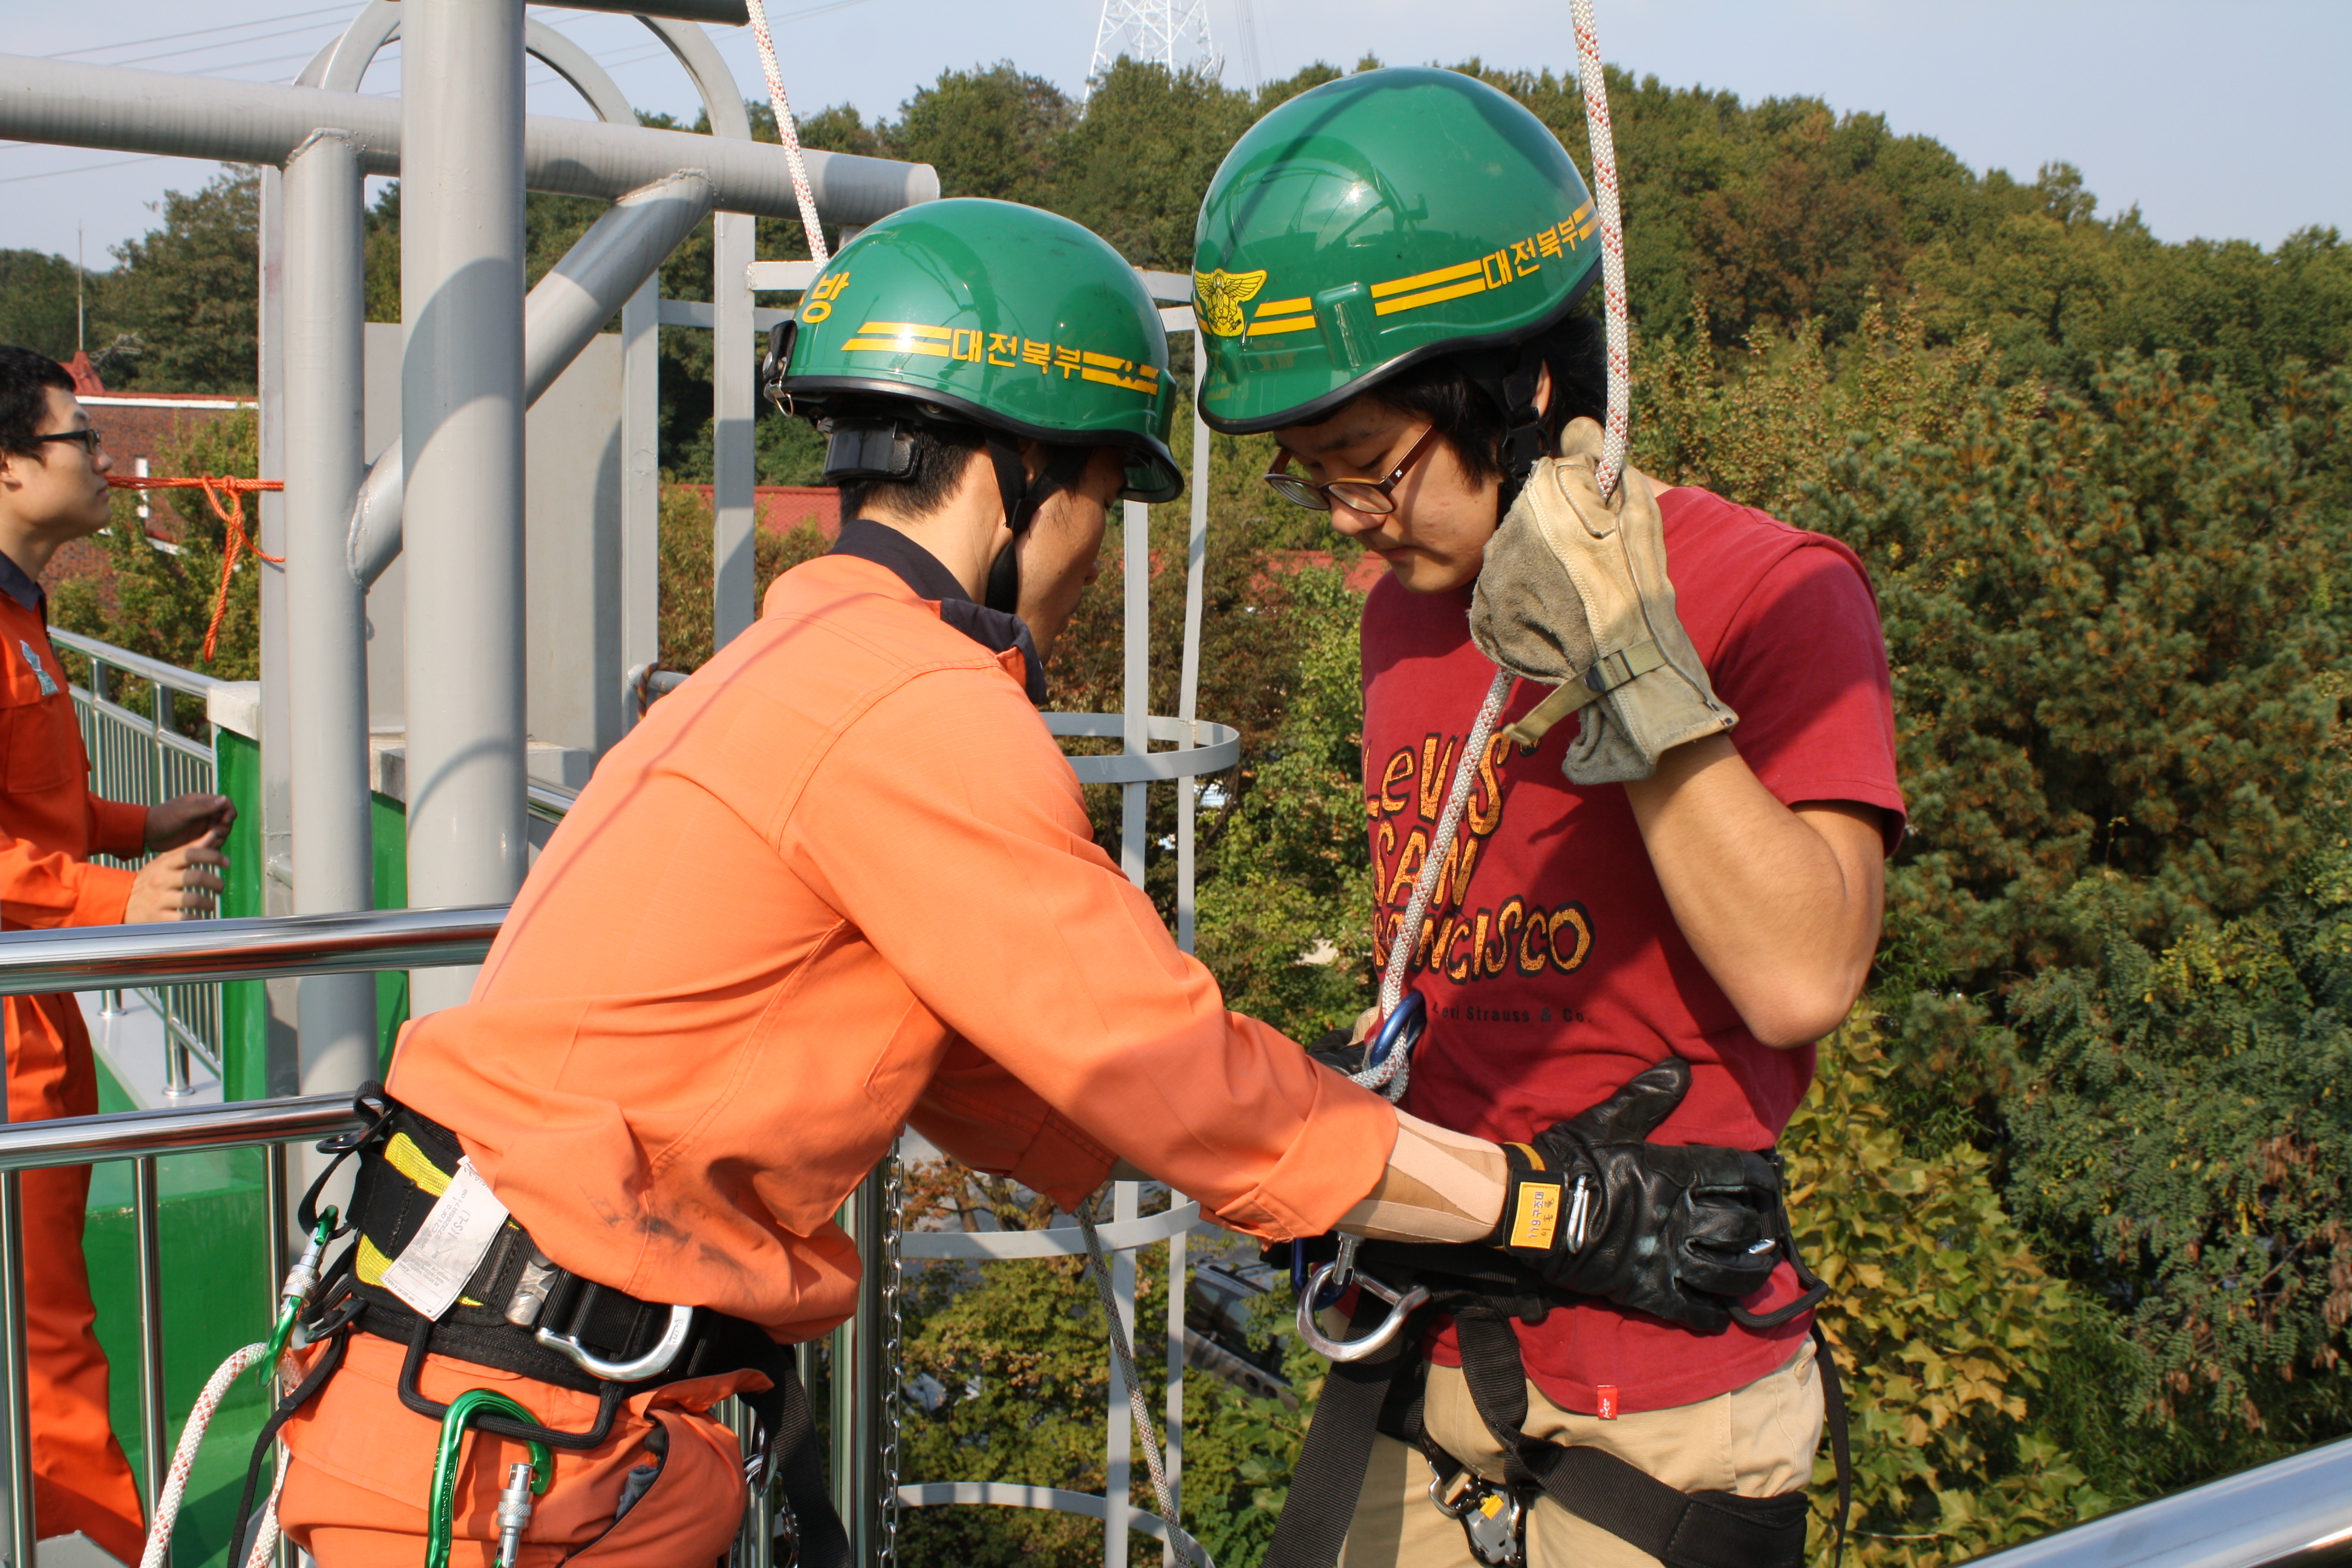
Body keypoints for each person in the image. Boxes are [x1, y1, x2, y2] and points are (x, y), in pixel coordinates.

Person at [267, 200, 1527, 1568]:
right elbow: (1162, 1065)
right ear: (1020, 475)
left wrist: (1329, 1150)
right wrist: (1544, 1209)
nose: (1092, 560)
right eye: (1102, 499)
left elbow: (1013, 1063)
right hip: (525, 1453)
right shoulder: (922, 704)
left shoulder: (795, 657)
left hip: (493, 1398)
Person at [1190, 70, 1903, 1568]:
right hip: (1438, 1331)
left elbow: (1803, 974)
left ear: (1517, 396)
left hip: (1664, 1383)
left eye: (1371, 469)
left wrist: (1635, 672)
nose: (1346, 522)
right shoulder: (1403, 617)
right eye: (1308, 477)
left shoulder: (1771, 592)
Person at [0, 344, 237, 1564]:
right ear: (5, 467)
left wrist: (147, 833)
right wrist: (110, 898)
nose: (102, 457)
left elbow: (33, 810)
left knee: (48, 1315)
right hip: (9, 1030)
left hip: (37, 1021)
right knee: (43, 1331)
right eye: (76, 437)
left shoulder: (24, 615)